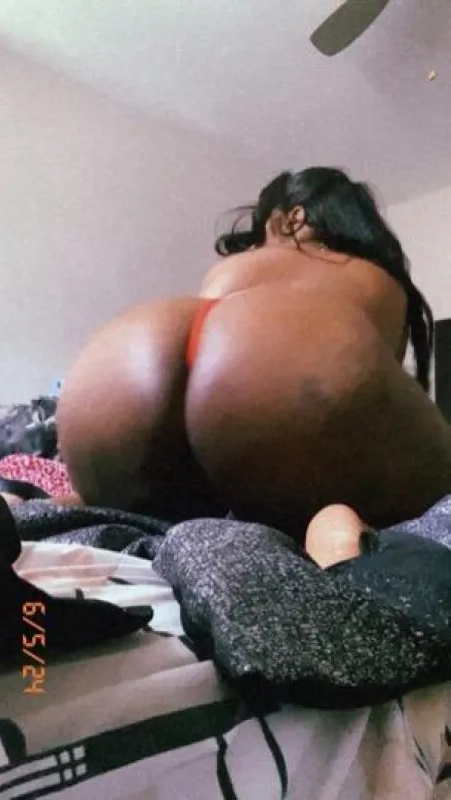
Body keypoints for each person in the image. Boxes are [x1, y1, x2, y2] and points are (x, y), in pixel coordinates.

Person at [57, 167, 451, 548]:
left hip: (121, 370)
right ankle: (333, 525)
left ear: (295, 218)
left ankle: (84, 502)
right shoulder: (379, 278)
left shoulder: (234, 266)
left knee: (142, 487)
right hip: (274, 371)